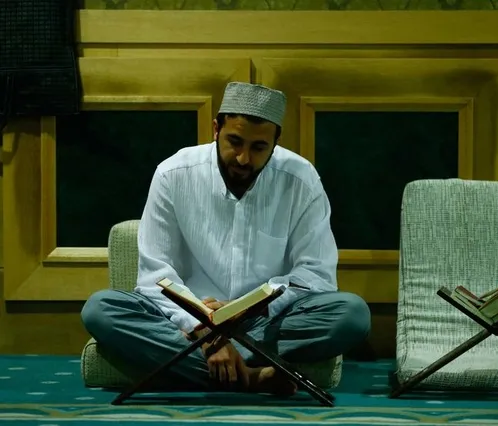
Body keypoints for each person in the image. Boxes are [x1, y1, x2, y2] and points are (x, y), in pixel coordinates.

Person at [81, 82, 371, 395]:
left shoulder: (301, 180)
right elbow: (155, 276)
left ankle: (197, 369)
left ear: (276, 142)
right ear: (216, 129)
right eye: (235, 142)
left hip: (264, 320)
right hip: (187, 321)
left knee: (351, 315)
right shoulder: (173, 174)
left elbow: (316, 275)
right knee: (101, 308)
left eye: (258, 147)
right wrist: (203, 330)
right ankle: (250, 378)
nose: (243, 158)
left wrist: (246, 309)